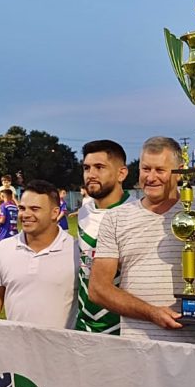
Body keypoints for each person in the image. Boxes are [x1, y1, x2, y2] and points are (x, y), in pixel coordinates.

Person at [88, 136, 195, 344]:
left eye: (160, 170)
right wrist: (151, 313)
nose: (151, 177)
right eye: (146, 169)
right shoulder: (116, 218)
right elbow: (98, 289)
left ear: (180, 172)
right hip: (137, 347)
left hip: (194, 344)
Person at [0, 180, 79, 328]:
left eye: (34, 209)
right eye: (22, 208)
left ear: (55, 213)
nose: (25, 214)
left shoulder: (76, 251)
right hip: (16, 342)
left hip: (62, 342)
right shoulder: (4, 248)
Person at [76, 140, 132, 335]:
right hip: (84, 324)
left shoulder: (136, 213)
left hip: (125, 325)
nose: (91, 174)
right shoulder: (84, 212)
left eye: (99, 167)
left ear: (121, 173)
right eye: (86, 168)